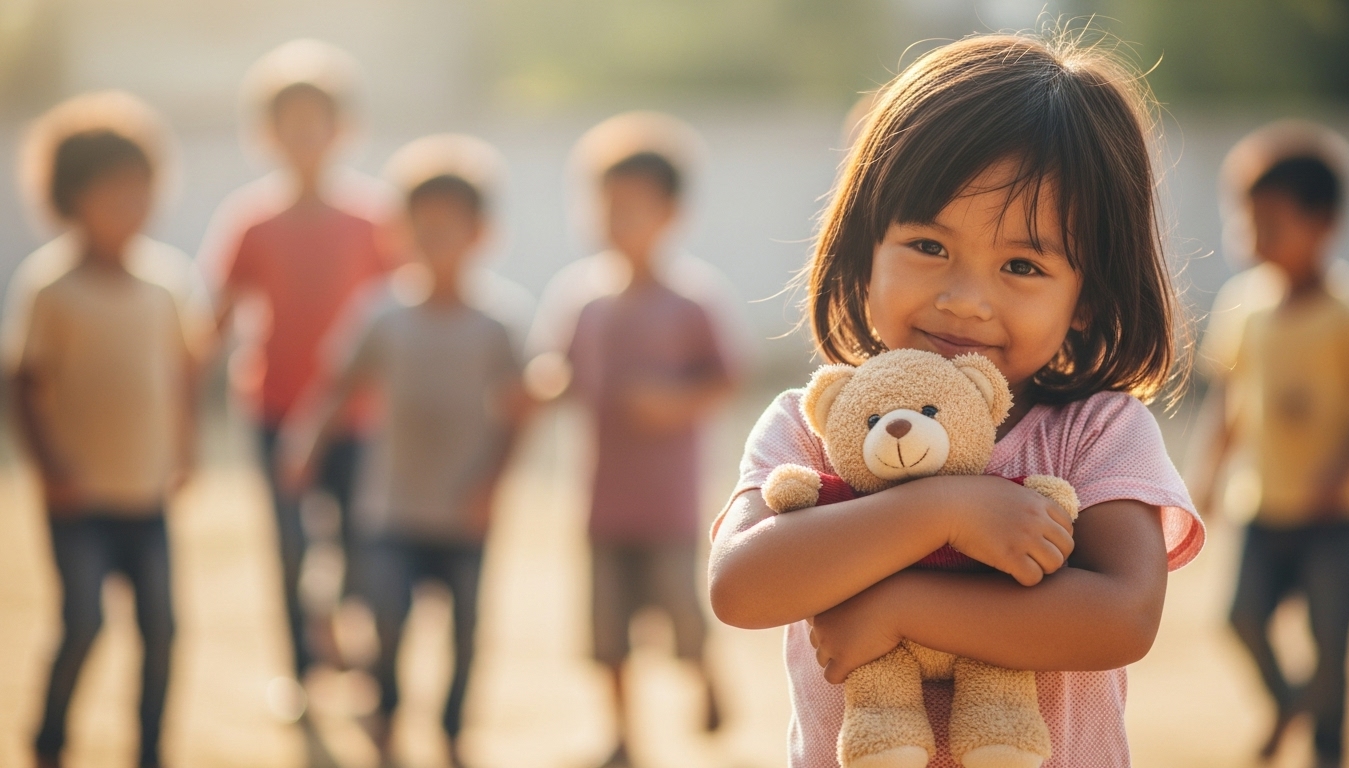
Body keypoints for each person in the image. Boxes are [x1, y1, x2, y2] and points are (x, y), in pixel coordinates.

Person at [708, 33, 1206, 768]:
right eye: (930, 248)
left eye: (1021, 264)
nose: (966, 300)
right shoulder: (814, 425)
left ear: (1087, 299)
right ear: (864, 249)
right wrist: (940, 511)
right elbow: (740, 587)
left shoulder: (1096, 434)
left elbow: (1122, 618)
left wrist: (900, 607)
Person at [280, 134, 530, 768]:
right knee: (385, 619)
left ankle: (451, 730)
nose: (436, 241)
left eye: (451, 228)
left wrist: (490, 485)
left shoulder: (498, 323)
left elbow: (518, 413)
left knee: (465, 633)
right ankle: (386, 714)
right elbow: (339, 388)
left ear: (480, 234)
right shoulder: (382, 314)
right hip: (390, 505)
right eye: (423, 229)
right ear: (401, 234)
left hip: (464, 511)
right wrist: (308, 442)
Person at [527, 113, 744, 768]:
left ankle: (704, 676)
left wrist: (674, 402)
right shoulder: (581, 300)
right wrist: (540, 387)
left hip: (671, 506)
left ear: (671, 212)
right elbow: (556, 371)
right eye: (605, 206)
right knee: (607, 633)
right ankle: (624, 735)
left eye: (633, 207)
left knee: (683, 616)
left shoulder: (693, 301)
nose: (617, 220)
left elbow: (726, 376)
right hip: (601, 503)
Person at [3, 91, 210, 768]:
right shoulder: (49, 287)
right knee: (84, 622)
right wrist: (50, 468)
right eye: (111, 195)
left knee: (161, 629)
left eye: (138, 193)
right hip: (78, 497)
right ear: (70, 198)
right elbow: (25, 384)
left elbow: (182, 374)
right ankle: (50, 737)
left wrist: (185, 448)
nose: (128, 209)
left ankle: (150, 748)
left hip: (144, 492)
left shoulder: (166, 282)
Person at [1190, 122, 1349, 768]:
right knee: (1241, 618)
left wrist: (1342, 466)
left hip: (1335, 514)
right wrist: (1207, 471)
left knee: (1332, 642)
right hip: (1266, 503)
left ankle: (1329, 751)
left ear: (1324, 224)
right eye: (1248, 223)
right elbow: (1230, 399)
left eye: (1273, 224)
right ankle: (1287, 701)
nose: (1254, 238)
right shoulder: (1242, 307)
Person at [199, 39, 397, 687]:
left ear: (344, 131)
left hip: (360, 412)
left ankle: (344, 632)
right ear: (268, 135)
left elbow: (404, 313)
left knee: (363, 546)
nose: (306, 139)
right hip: (274, 408)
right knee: (288, 546)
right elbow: (217, 321)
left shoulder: (375, 222)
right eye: (291, 127)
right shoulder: (251, 223)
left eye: (318, 125)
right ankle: (301, 674)